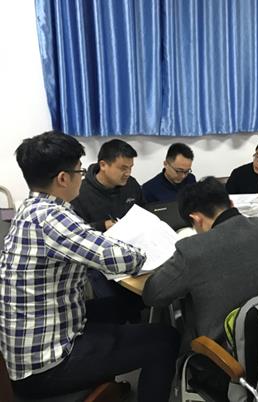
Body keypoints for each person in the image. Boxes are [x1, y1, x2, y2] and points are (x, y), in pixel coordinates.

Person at [0, 131, 179, 402]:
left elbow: (88, 241)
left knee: (122, 306)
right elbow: (122, 259)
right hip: (46, 365)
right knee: (165, 340)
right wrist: (144, 248)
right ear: (63, 178)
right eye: (80, 171)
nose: (82, 177)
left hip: (35, 338)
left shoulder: (31, 208)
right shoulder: (51, 217)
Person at [143, 177, 258, 351]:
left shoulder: (193, 249)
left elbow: (153, 295)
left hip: (228, 352)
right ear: (231, 203)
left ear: (196, 219)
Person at [71, 139, 144, 231]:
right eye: (123, 168)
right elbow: (74, 230)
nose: (128, 173)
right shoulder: (78, 192)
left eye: (130, 168)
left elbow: (144, 213)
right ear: (103, 165)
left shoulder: (131, 184)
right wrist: (102, 226)